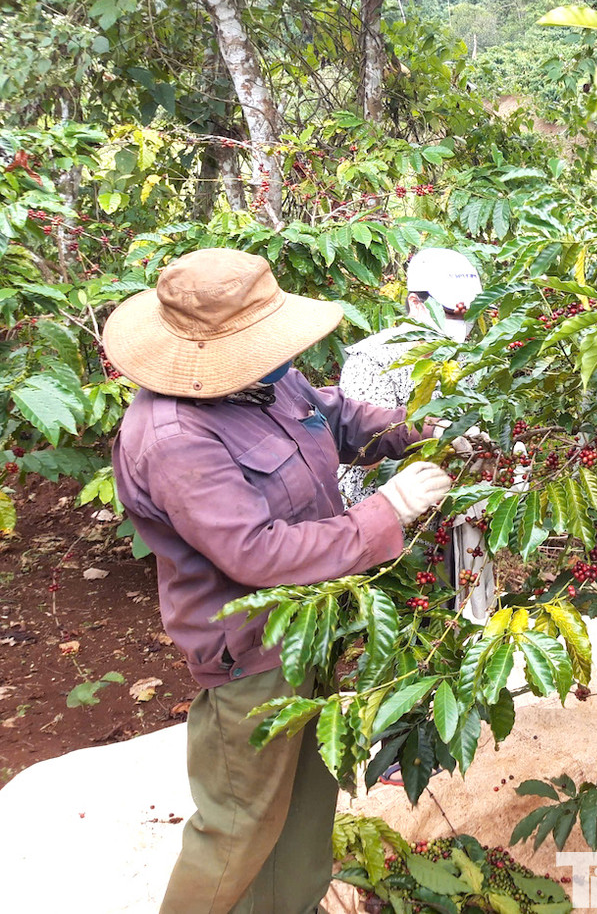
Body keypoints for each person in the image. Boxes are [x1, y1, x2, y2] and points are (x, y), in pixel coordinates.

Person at [105, 248, 452, 914]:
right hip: (253, 654)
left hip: (315, 629)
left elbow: (336, 415)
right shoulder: (174, 436)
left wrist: (421, 430)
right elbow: (255, 553)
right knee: (237, 826)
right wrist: (389, 509)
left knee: (305, 813)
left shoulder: (267, 383)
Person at [338, 247, 507, 624]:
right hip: (398, 530)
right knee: (409, 625)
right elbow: (361, 463)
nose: (461, 325)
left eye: (469, 314)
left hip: (459, 523)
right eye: (451, 313)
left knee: (461, 624)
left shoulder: (468, 358)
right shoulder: (375, 360)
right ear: (416, 304)